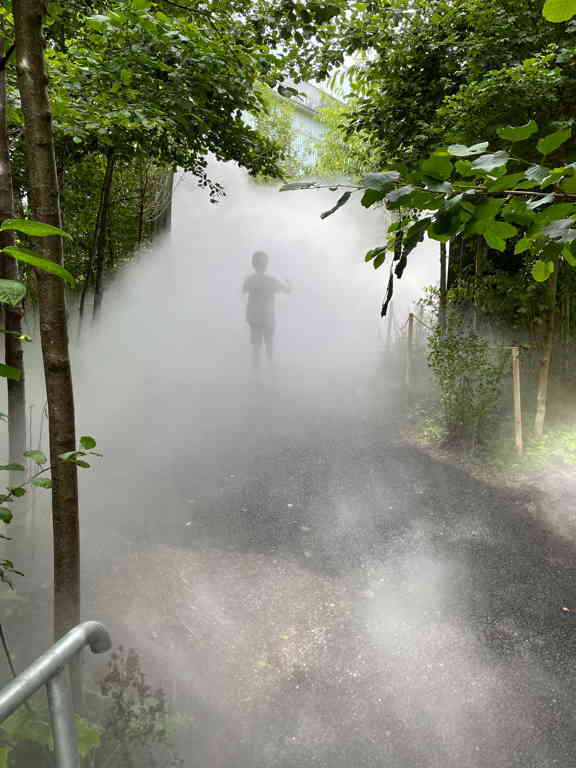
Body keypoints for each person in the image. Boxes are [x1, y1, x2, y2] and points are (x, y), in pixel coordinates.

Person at [242, 251, 291, 370]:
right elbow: (287, 290)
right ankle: (270, 371)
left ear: (253, 264)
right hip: (268, 317)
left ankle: (256, 374)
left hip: (254, 317)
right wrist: (289, 283)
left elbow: (243, 291)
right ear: (266, 265)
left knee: (256, 347)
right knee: (269, 344)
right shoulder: (271, 281)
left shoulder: (250, 280)